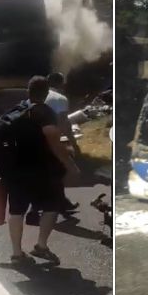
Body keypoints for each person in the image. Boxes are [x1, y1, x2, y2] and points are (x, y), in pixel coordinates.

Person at [4, 76, 80, 265]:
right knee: (51, 206)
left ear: (27, 91)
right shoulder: (44, 112)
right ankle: (41, 246)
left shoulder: (17, 109)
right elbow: (54, 141)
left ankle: (16, 253)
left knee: (16, 210)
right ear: (46, 93)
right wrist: (70, 165)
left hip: (16, 167)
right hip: (42, 168)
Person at [45, 72, 80, 214]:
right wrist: (73, 142)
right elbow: (64, 123)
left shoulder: (37, 96)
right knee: (63, 171)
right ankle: (58, 203)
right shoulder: (60, 99)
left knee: (49, 173)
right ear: (61, 83)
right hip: (52, 141)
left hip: (33, 141)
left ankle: (61, 203)